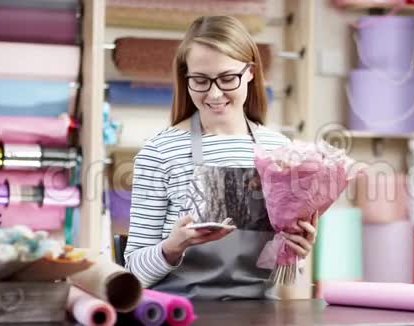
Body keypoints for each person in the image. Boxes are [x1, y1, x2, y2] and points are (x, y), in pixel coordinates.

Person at [124, 15, 318, 300]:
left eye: (228, 78)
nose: (214, 94)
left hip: (258, 315)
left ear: (250, 72)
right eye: (200, 80)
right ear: (185, 77)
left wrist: (295, 251)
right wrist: (171, 248)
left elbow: (284, 276)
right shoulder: (160, 152)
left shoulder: (280, 151)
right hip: (181, 313)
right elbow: (132, 275)